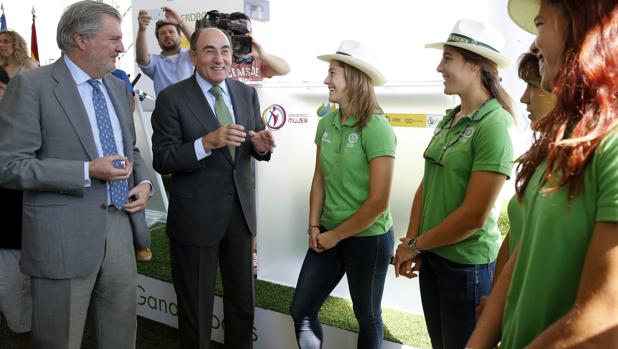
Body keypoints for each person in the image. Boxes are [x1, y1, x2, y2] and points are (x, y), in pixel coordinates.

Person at [0, 1, 152, 348]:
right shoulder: (32, 86)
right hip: (62, 240)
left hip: (120, 232)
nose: (121, 46)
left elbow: (133, 152)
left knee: (119, 336)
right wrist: (86, 171)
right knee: (59, 340)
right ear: (80, 39)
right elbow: (8, 165)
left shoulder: (116, 86)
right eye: (113, 38)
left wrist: (142, 184)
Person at [467, 0, 618, 348]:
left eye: (540, 23)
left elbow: (604, 319)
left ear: (585, 28)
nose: (534, 44)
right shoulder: (564, 140)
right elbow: (527, 249)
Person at [392, 19, 515, 349]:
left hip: (466, 266)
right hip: (433, 258)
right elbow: (427, 183)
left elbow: (473, 216)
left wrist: (416, 246)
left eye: (448, 58)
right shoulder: (451, 118)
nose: (439, 67)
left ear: (475, 65)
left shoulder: (494, 124)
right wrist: (414, 241)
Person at [151, 27, 275, 349]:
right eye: (209, 51)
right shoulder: (171, 98)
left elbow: (252, 143)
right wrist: (206, 143)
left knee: (242, 305)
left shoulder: (246, 93)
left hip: (240, 217)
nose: (219, 59)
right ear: (193, 57)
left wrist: (261, 146)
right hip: (195, 219)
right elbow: (162, 158)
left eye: (224, 51)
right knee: (196, 310)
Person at [288, 40, 396, 349]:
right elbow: (319, 179)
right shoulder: (326, 123)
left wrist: (335, 236)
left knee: (367, 317)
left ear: (354, 78)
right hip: (327, 233)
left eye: (332, 73)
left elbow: (379, 202)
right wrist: (314, 226)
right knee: (301, 309)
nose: (326, 80)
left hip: (369, 238)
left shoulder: (377, 128)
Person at [475, 50, 557, 319]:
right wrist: (496, 299)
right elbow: (518, 236)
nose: (523, 97)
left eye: (534, 84)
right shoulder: (542, 156)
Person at [0, 66, 30, 349]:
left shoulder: (27, 120)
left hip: (25, 228)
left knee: (25, 296)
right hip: (7, 234)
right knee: (12, 294)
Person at [111, 68, 153, 262]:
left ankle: (140, 243)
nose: (119, 47)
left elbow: (133, 151)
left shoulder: (118, 76)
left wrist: (146, 183)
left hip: (124, 201)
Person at [136, 6, 194, 96]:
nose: (167, 35)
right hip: (166, 109)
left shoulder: (191, 55)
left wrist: (180, 21)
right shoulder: (155, 62)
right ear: (158, 40)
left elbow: (200, 44)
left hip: (192, 108)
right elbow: (142, 59)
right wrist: (142, 30)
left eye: (171, 32)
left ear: (180, 36)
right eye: (162, 33)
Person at [226, 12, 290, 82]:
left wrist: (263, 55)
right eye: (236, 33)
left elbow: (285, 70)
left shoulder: (257, 59)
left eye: (245, 31)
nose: (240, 38)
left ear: (251, 33)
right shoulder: (222, 59)